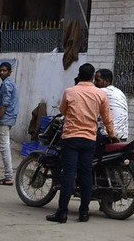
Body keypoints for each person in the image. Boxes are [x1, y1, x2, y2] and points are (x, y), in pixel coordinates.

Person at [47, 62, 116, 223]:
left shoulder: (69, 92)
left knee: (68, 175)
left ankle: (62, 213)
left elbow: (63, 111)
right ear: (92, 77)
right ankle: (83, 213)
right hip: (89, 140)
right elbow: (107, 118)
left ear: (79, 75)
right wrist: (112, 135)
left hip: (70, 138)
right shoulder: (100, 95)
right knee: (86, 176)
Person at [94, 68, 128, 141]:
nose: (95, 83)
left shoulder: (101, 92)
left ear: (107, 81)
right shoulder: (119, 92)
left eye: (97, 80)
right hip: (123, 136)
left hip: (107, 136)